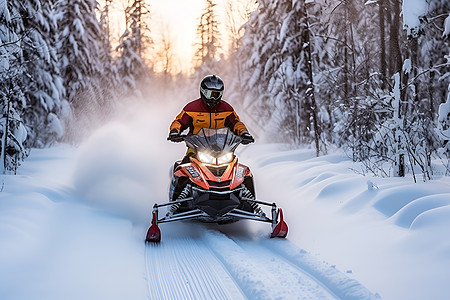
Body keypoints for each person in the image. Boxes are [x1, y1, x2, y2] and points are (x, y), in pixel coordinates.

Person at [168, 74, 254, 146]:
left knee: (237, 165)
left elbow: (236, 123)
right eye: (210, 94)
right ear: (203, 91)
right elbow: (179, 122)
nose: (213, 98)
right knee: (184, 164)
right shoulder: (191, 108)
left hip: (221, 148)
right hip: (196, 147)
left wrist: (243, 133)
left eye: (216, 94)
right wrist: (174, 131)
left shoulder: (226, 109)